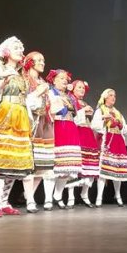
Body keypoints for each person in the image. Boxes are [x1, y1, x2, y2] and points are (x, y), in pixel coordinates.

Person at [0, 36, 34, 217]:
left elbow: (26, 98)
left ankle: (4, 201)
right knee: (1, 160)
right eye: (16, 48)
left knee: (15, 161)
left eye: (21, 48)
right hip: (5, 112)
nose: (21, 50)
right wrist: (1, 83)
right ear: (6, 52)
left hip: (20, 115)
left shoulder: (21, 74)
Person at [20, 51, 56, 213]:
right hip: (30, 122)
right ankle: (30, 200)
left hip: (45, 123)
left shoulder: (42, 82)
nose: (42, 63)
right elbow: (25, 102)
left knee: (44, 164)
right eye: (39, 60)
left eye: (43, 60)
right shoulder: (24, 80)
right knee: (31, 164)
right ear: (30, 62)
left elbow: (50, 105)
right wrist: (39, 92)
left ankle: (29, 195)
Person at [49, 69, 82, 209]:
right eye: (61, 78)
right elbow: (52, 110)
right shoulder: (51, 93)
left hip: (70, 127)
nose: (65, 80)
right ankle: (48, 198)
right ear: (54, 80)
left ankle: (57, 194)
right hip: (58, 126)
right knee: (56, 165)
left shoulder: (69, 96)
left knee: (67, 167)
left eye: (66, 79)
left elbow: (75, 113)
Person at [91, 88, 127, 207]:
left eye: (114, 95)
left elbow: (125, 128)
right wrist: (104, 119)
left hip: (118, 141)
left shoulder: (118, 112)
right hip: (107, 140)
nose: (113, 97)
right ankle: (99, 197)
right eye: (111, 95)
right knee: (104, 171)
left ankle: (118, 195)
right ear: (105, 97)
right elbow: (94, 125)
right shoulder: (100, 110)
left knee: (117, 170)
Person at [70, 79, 98, 208]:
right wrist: (83, 111)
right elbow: (72, 119)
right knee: (75, 165)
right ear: (73, 89)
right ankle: (70, 196)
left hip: (87, 133)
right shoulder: (71, 101)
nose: (82, 90)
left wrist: (89, 113)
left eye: (83, 88)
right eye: (79, 87)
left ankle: (84, 194)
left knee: (90, 164)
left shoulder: (85, 103)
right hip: (77, 132)